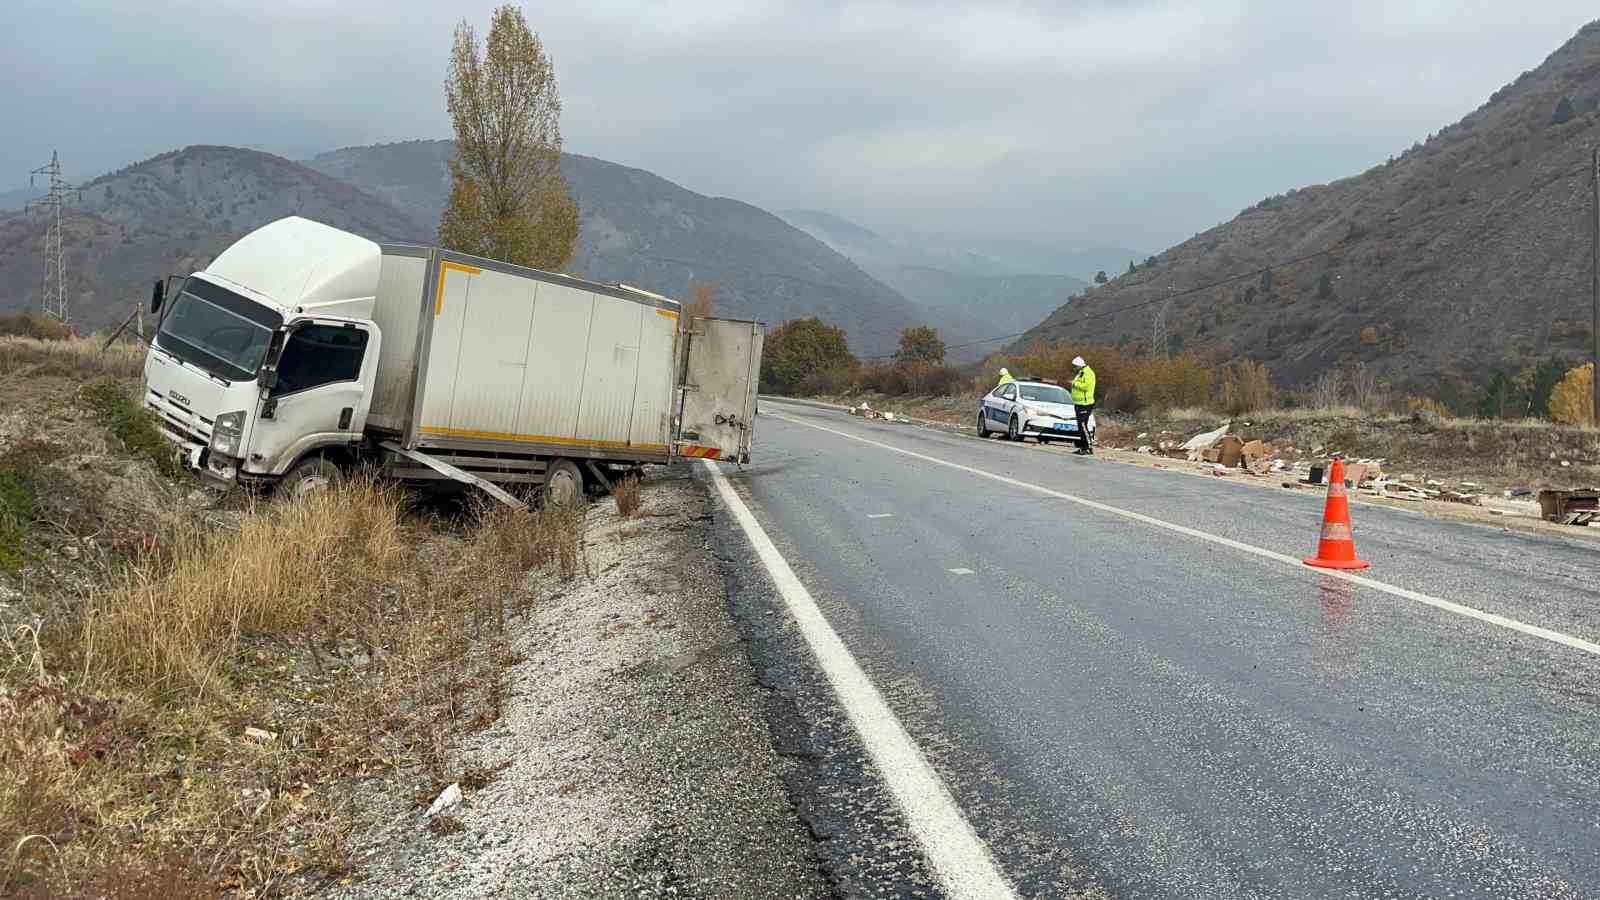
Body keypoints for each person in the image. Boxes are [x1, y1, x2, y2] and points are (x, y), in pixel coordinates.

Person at [1070, 355, 1096, 455]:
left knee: (1083, 426)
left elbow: (1085, 387)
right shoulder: (1081, 373)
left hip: (1085, 403)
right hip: (1078, 403)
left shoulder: (1088, 373)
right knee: (1080, 426)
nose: (1074, 368)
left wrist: (1074, 384)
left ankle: (1088, 447)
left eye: (1074, 366)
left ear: (1078, 365)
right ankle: (1082, 447)